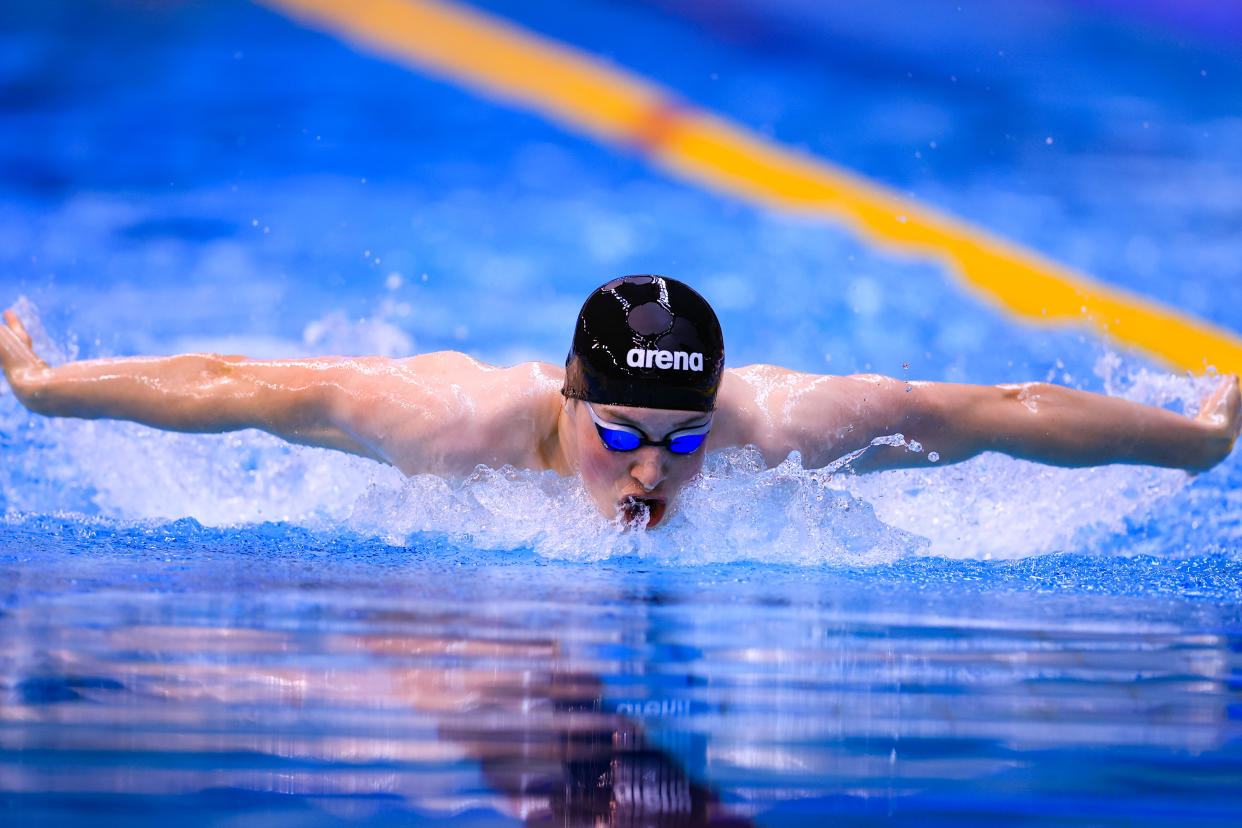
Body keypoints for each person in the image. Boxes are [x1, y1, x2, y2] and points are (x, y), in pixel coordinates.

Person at [1, 275, 1238, 528]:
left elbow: (988, 408)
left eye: (683, 439)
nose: (653, 476)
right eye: (623, 438)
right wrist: (50, 393)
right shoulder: (450, 425)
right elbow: (243, 389)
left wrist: (1194, 443)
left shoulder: (784, 429)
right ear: (567, 390)